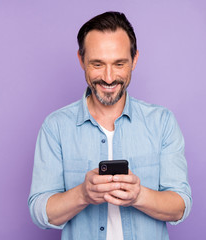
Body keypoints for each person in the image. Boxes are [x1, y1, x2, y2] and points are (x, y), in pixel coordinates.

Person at [28, 11, 192, 240]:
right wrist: (83, 194)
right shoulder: (55, 127)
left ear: (134, 60)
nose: (108, 77)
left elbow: (180, 206)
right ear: (81, 60)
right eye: (97, 64)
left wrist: (139, 196)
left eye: (119, 64)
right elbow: (40, 212)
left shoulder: (162, 122)